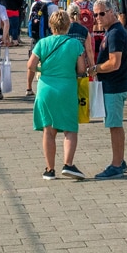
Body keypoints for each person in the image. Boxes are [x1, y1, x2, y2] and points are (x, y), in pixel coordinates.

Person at [28, 9, 87, 179]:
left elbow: (30, 65)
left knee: (48, 129)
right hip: (67, 88)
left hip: (46, 88)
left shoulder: (42, 43)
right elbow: (81, 69)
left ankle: (49, 169)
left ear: (50, 25)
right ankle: (68, 164)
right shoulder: (75, 44)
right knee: (70, 128)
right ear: (68, 25)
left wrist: (43, 70)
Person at [90, 0, 127, 178]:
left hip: (115, 85)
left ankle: (116, 164)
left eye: (102, 14)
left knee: (115, 125)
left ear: (112, 12)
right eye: (95, 14)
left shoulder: (115, 33)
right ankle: (119, 159)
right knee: (113, 123)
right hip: (112, 84)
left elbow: (114, 63)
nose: (98, 18)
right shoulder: (111, 31)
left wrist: (95, 69)